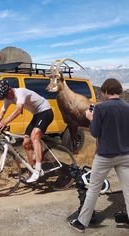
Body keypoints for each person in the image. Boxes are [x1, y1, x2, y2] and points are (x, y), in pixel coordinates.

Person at [68, 78, 129, 233]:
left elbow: (95, 133)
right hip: (125, 154)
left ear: (106, 91)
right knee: (128, 189)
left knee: (93, 189)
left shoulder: (101, 109)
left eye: (102, 92)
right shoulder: (127, 107)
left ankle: (81, 223)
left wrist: (91, 118)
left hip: (105, 156)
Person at [0, 79, 54, 183]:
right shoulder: (7, 98)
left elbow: (18, 110)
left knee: (34, 136)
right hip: (37, 115)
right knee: (26, 143)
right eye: (4, 97)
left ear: (10, 90)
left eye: (6, 95)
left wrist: (4, 123)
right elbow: (0, 114)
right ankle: (33, 170)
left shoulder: (20, 92)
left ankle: (38, 170)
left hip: (45, 111)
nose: (6, 98)